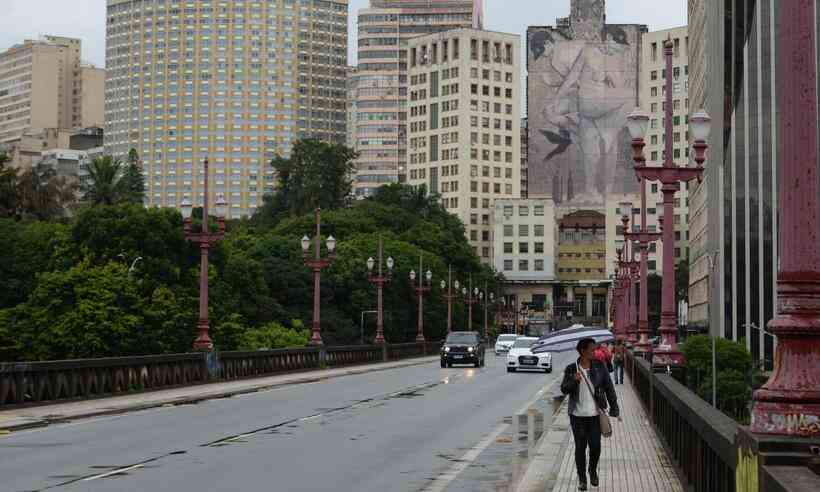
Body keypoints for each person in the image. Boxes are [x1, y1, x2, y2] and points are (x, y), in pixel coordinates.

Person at [561, 338, 620, 491]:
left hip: (595, 415)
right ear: (583, 351)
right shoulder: (571, 369)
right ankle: (582, 479)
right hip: (577, 416)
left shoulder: (599, 366)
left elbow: (609, 387)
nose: (595, 352)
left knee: (595, 446)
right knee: (580, 448)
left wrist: (614, 407)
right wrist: (574, 380)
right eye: (592, 350)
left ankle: (592, 470)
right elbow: (564, 389)